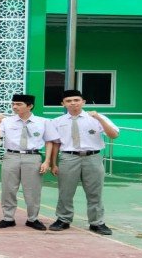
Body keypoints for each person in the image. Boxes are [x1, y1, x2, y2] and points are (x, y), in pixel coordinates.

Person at [48, 89, 120, 235]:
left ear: (83, 102)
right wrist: (53, 164)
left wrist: (99, 118)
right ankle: (63, 219)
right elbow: (55, 143)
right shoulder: (57, 122)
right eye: (69, 101)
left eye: (76, 100)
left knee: (94, 192)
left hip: (92, 157)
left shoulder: (96, 118)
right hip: (68, 157)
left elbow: (114, 135)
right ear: (63, 104)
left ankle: (97, 222)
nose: (73, 103)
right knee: (65, 191)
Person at [0, 94, 58, 230]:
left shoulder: (43, 122)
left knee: (33, 190)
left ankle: (32, 219)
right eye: (13, 104)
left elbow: (49, 141)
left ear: (30, 106)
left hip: (33, 157)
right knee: (8, 188)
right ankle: (8, 218)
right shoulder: (6, 121)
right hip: (11, 156)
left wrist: (47, 161)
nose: (15, 107)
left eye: (19, 104)